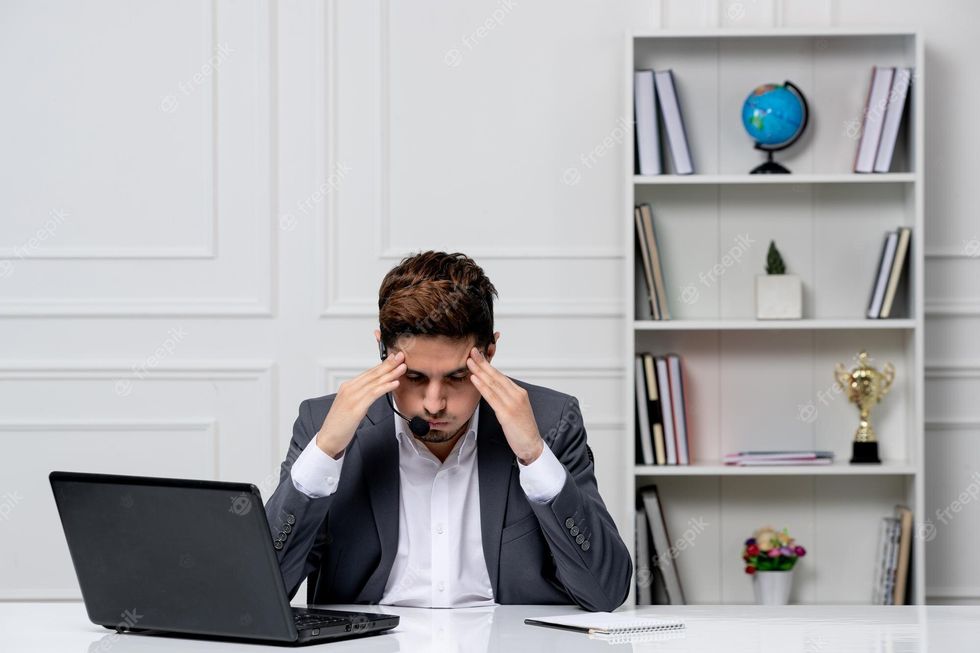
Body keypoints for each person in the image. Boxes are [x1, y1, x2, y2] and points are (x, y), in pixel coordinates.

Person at [264, 251, 631, 611]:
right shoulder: (323, 423)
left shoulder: (551, 421)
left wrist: (534, 456)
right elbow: (262, 596)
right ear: (382, 350)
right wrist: (326, 451)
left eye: (457, 377)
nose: (434, 404)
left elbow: (606, 592)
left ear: (489, 352)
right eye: (414, 377)